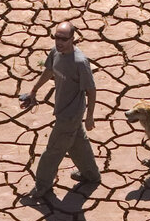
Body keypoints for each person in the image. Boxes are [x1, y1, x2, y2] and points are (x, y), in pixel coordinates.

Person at [20, 21, 101, 200]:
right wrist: (34, 90)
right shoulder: (56, 52)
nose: (59, 42)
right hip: (63, 110)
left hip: (70, 114)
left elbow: (91, 90)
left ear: (73, 39)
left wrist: (90, 117)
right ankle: (92, 175)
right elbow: (50, 71)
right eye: (57, 37)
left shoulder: (80, 62)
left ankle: (42, 185)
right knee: (78, 143)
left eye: (64, 39)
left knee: (53, 150)